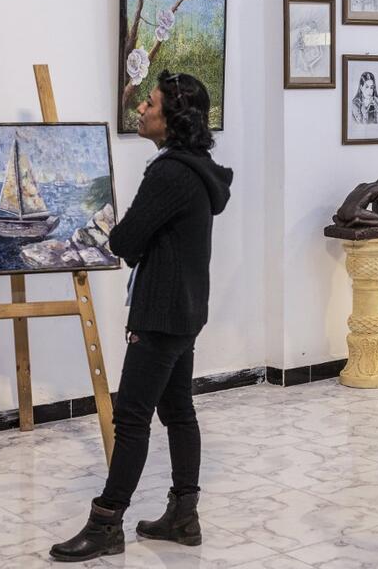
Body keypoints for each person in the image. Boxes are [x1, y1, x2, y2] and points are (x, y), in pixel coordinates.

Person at [49, 70, 233, 563]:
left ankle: (107, 523)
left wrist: (123, 231)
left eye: (149, 104)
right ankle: (183, 516)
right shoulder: (197, 167)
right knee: (177, 412)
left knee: (131, 417)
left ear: (172, 118)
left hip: (161, 314)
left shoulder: (169, 172)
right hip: (186, 309)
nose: (141, 110)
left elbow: (125, 241)